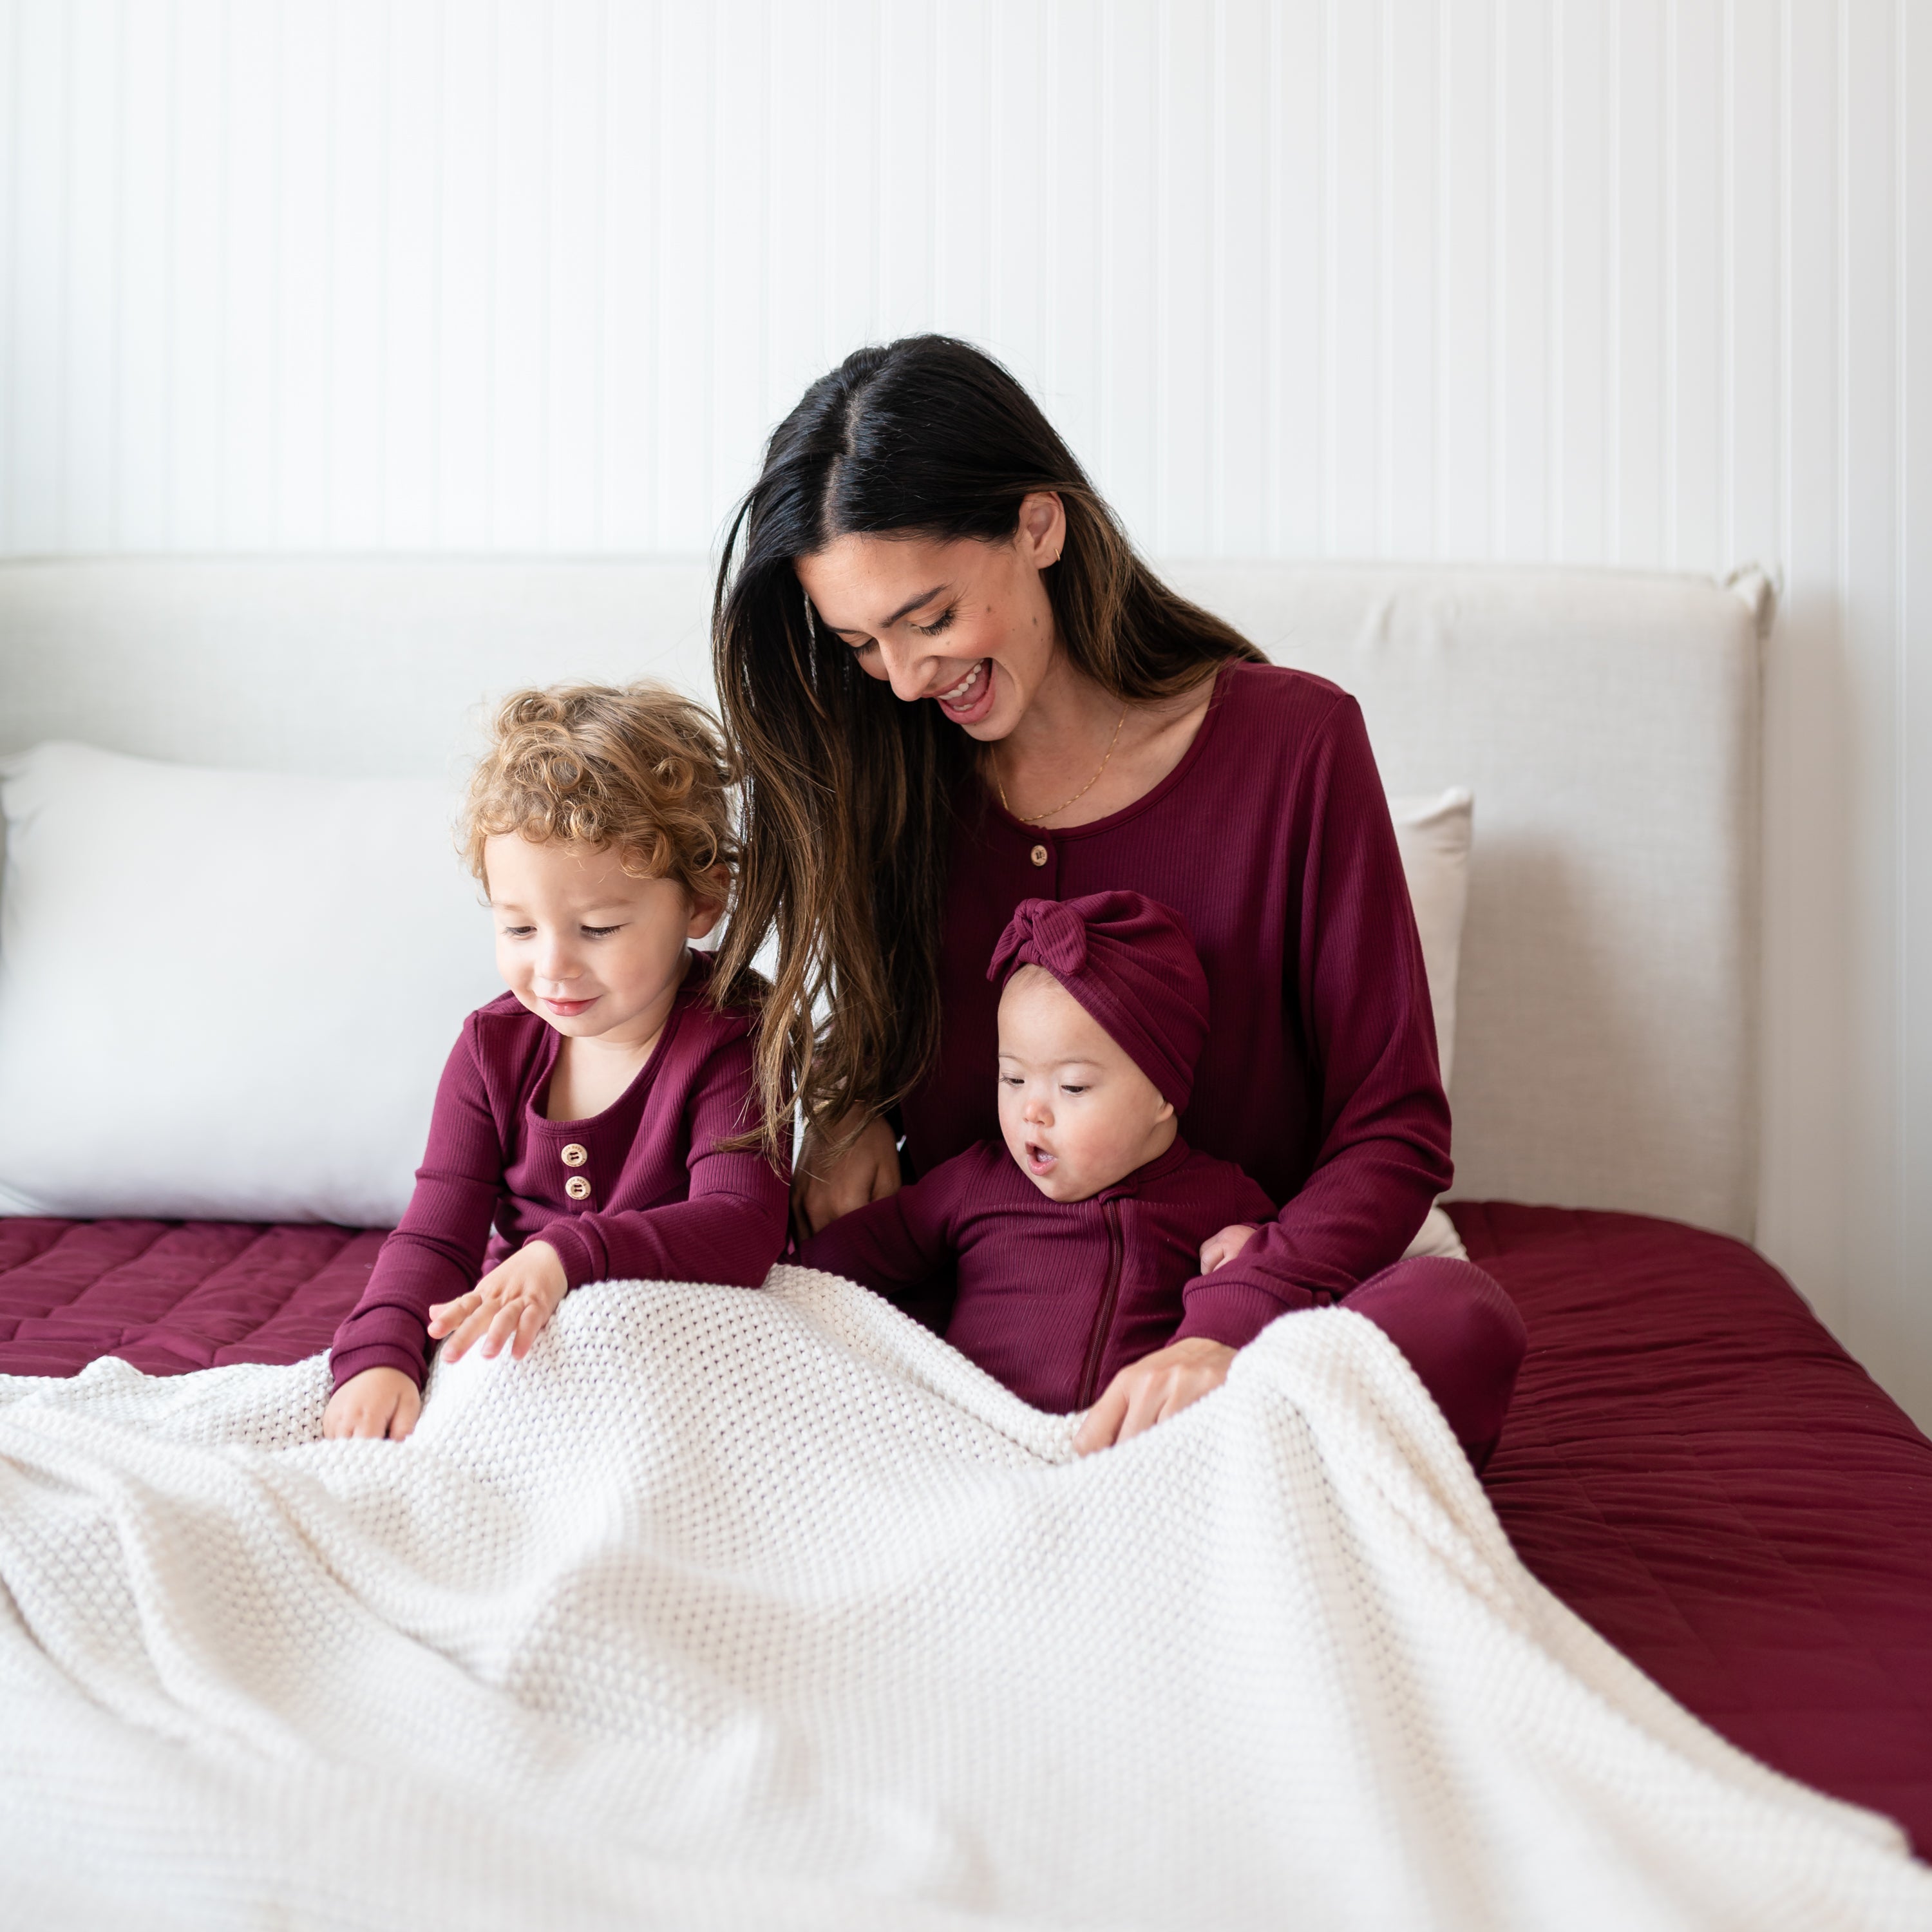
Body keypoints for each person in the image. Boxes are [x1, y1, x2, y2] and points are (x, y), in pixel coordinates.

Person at [712, 335, 1525, 1464]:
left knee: (1457, 1324)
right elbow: (898, 1074)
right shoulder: (891, 778)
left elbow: (1393, 1131)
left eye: (932, 618)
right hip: (987, 1333)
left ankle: (1211, 1459)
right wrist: (849, 1098)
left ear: (1037, 527)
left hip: (1274, 1304)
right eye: (861, 644)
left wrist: (1230, 1329)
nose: (903, 679)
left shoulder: (1293, 745)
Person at [323, 682, 790, 1442]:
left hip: (685, 1346)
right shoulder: (490, 1050)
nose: (552, 966)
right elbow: (437, 1239)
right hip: (529, 1345)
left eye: (599, 928)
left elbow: (743, 1227)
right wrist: (382, 1354)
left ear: (701, 904)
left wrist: (567, 1252)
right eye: (518, 928)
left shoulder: (733, 1033)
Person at [802, 892, 1280, 1446]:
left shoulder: (1219, 1198)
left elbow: (1284, 1275)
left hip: (1126, 1452)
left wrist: (1247, 1251)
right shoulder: (976, 1182)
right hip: (969, 1439)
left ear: (1163, 1096)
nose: (1032, 1110)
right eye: (1013, 1079)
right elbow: (833, 1265)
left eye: (1072, 1086)